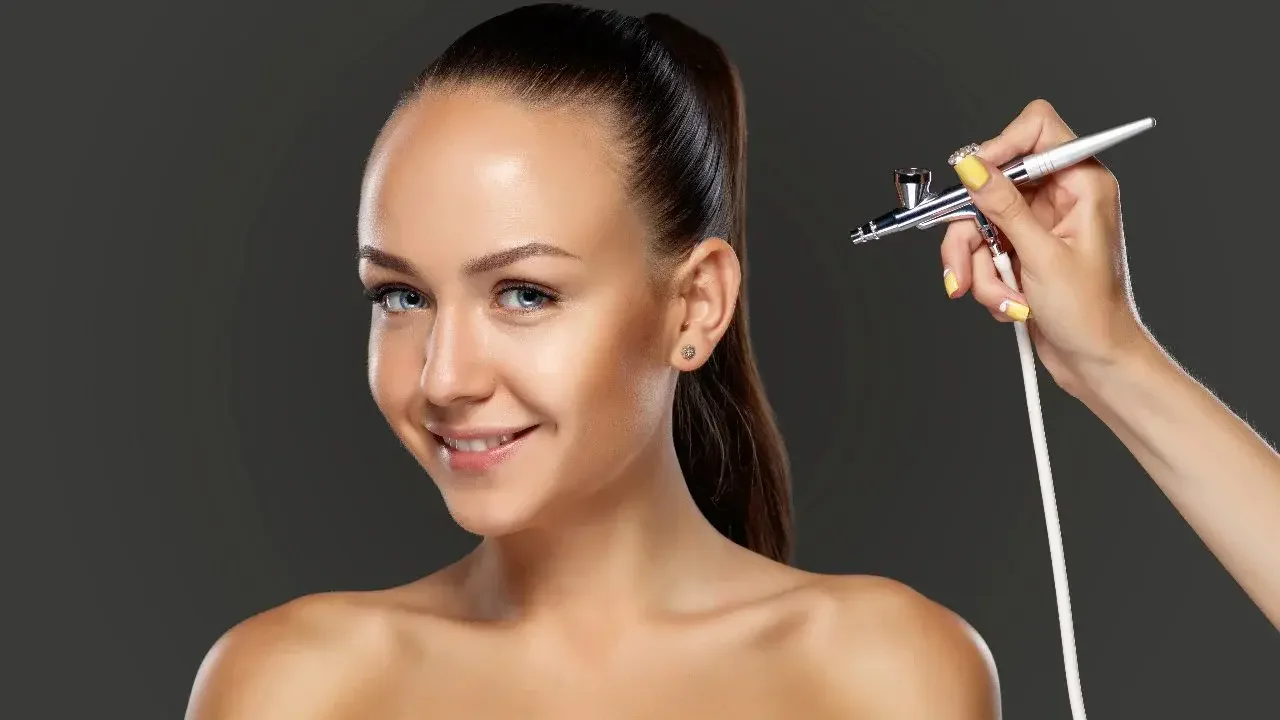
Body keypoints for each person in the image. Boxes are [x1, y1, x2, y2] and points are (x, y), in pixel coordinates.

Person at [184, 4, 1280, 718]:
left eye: (524, 293)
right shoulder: (290, 688)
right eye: (401, 296)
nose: (442, 377)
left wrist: (1110, 358)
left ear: (695, 305)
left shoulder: (883, 676)